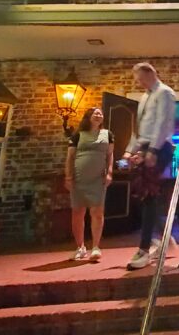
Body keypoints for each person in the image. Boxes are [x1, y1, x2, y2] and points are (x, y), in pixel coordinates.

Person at [123, 62, 177, 271]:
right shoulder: (144, 97)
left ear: (150, 74)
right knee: (146, 197)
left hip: (160, 147)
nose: (139, 83)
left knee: (148, 195)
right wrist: (130, 150)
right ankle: (163, 239)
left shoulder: (165, 93)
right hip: (145, 146)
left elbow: (163, 123)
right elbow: (140, 127)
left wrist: (153, 150)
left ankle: (144, 249)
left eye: (140, 79)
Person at [63, 107, 114, 261]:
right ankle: (80, 247)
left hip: (98, 179)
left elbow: (110, 155)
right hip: (79, 178)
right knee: (78, 212)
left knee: (97, 212)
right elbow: (70, 157)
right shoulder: (78, 135)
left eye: (100, 113)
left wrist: (110, 172)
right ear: (88, 117)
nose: (98, 115)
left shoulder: (108, 135)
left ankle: (96, 246)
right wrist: (68, 177)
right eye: (95, 113)